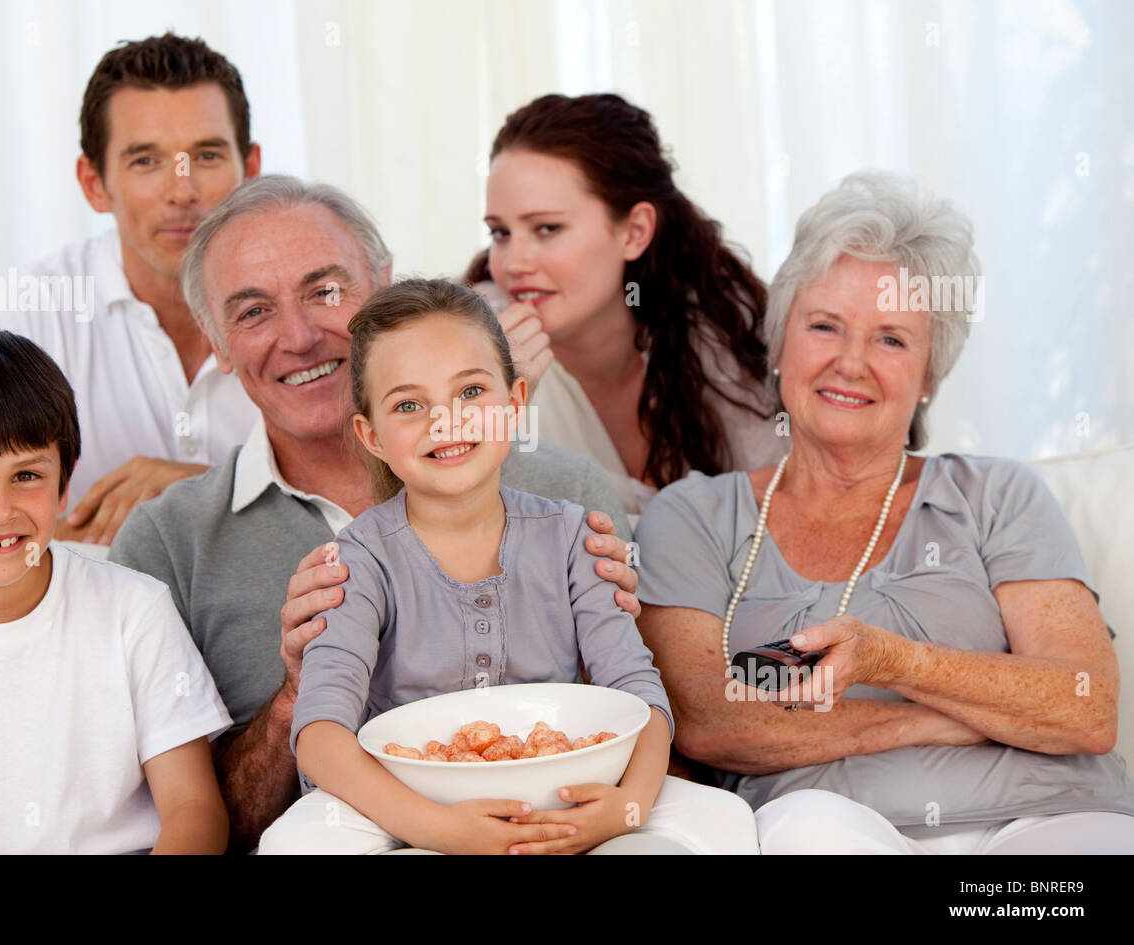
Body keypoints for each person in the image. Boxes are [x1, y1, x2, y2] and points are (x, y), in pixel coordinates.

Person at [108, 175, 645, 852]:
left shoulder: (567, 495)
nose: (300, 336)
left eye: (326, 291)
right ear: (215, 342)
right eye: (252, 312)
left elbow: (644, 723)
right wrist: (290, 698)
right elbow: (186, 825)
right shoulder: (167, 543)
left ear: (383, 284)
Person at [634, 171, 1134, 853]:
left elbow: (1086, 705)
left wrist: (893, 662)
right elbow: (708, 718)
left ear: (930, 374)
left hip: (1049, 815)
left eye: (892, 339)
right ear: (779, 344)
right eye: (824, 326)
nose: (851, 362)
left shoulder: (998, 495)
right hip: (829, 820)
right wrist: (957, 717)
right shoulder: (694, 516)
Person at [257, 278, 759, 854]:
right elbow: (321, 736)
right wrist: (438, 830)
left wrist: (626, 809)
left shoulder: (574, 538)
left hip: (563, 789)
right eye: (409, 405)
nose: (446, 422)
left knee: (721, 821)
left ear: (515, 403)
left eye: (470, 392)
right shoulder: (357, 560)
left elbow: (637, 693)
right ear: (371, 437)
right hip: (405, 801)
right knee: (297, 842)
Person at [0, 33, 261, 588]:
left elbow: (388, 511)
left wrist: (214, 493)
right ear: (94, 183)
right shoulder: (28, 317)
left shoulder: (323, 310)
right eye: (146, 160)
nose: (182, 191)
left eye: (206, 155)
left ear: (249, 166)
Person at [0, 327, 232, 853]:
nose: (0, 509)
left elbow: (195, 811)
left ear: (64, 481)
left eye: (27, 474)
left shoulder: (136, 608)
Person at [465, 92, 787, 521]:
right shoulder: (470, 343)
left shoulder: (719, 332)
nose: (514, 263)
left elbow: (787, 509)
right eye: (500, 233)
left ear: (634, 232)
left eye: (546, 228)